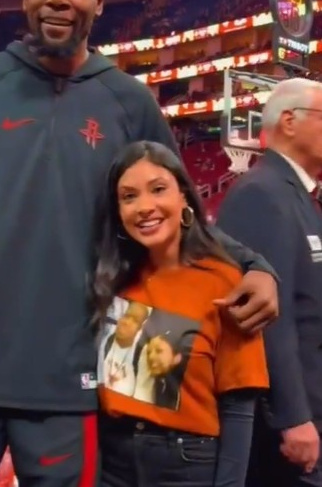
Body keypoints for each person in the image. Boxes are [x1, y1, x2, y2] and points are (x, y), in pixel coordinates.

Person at [0, 0, 278, 487]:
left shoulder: (131, 101)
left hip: (76, 384)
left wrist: (256, 266)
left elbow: (180, 209)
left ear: (99, 0)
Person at [93, 141, 269, 487]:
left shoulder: (224, 282)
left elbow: (238, 405)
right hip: (112, 461)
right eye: (129, 197)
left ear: (184, 196)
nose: (145, 207)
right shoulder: (113, 281)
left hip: (186, 464)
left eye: (158, 189)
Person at [217, 78, 322, 487]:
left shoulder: (307, 196)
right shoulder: (262, 194)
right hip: (293, 427)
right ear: (289, 121)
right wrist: (292, 416)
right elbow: (267, 318)